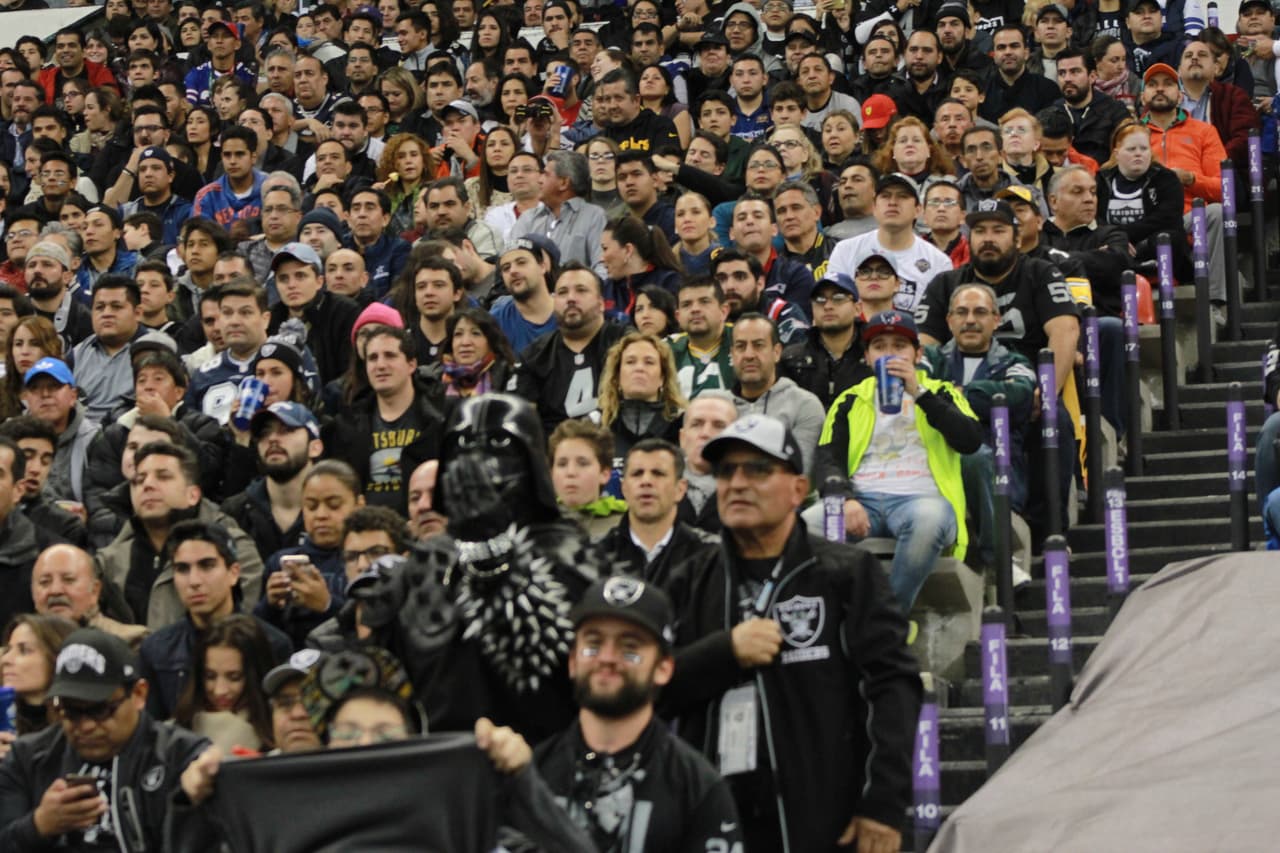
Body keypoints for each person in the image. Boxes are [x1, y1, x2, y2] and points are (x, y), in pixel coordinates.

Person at [662, 414, 920, 853]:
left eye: (758, 470)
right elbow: (652, 687)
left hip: (830, 821)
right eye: (727, 471)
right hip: (718, 824)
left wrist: (884, 803)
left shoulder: (846, 573)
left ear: (799, 490)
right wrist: (724, 652)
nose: (737, 483)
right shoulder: (690, 580)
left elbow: (894, 686)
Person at [342, 394, 601, 742]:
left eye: (498, 445)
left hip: (538, 758)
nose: (478, 462)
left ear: (531, 461)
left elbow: (547, 662)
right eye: (462, 446)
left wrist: (489, 549)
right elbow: (380, 671)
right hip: (436, 763)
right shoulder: (422, 562)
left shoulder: (569, 554)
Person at [477, 575, 743, 851]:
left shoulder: (697, 787)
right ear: (572, 661)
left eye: (630, 648)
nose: (607, 658)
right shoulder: (534, 772)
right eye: (593, 644)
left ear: (663, 668)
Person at [0, 627, 211, 851]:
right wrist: (39, 825)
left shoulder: (180, 755)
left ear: (139, 694)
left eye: (100, 710)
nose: (86, 726)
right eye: (71, 712)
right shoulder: (28, 757)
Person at [922, 283, 1037, 576]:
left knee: (975, 455)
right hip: (935, 461)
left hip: (999, 466)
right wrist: (981, 397)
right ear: (949, 321)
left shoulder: (1016, 361)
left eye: (980, 312)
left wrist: (950, 394)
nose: (970, 320)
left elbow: (1020, 394)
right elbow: (917, 388)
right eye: (961, 312)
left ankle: (999, 562)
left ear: (996, 320)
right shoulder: (930, 358)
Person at [95, 441, 265, 631]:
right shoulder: (111, 560)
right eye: (139, 480)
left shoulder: (233, 546)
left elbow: (249, 623)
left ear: (193, 495)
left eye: (163, 476)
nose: (148, 485)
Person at [137, 518, 289, 721]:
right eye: (182, 569)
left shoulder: (273, 644)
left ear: (233, 573)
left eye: (207, 566)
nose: (194, 581)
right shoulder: (155, 650)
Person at [322, 326, 445, 510]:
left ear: (412, 364)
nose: (380, 365)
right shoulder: (345, 426)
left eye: (390, 355)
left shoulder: (442, 417)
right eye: (373, 358)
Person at [255, 460, 365, 649]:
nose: (321, 515)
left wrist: (327, 605)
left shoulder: (367, 561)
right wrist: (269, 605)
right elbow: (256, 637)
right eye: (311, 506)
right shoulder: (279, 562)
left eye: (334, 505)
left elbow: (374, 629)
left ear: (359, 505)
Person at [730, 313, 826, 477]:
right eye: (740, 346)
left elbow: (797, 472)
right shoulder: (715, 405)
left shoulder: (804, 405)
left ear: (776, 352)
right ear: (732, 354)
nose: (749, 355)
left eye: (758, 345)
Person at [172, 614, 277, 752]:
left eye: (234, 677)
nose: (219, 690)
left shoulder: (282, 732)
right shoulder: (172, 735)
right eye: (210, 676)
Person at [779, 273, 871, 411]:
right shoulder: (791, 359)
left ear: (857, 308)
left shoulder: (873, 357)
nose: (827, 306)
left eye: (838, 298)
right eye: (820, 299)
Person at [31, 543, 146, 648]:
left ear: (95, 591)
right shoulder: (21, 647)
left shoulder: (131, 641)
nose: (55, 590)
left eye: (68, 580)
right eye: (45, 582)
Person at [509, 150, 607, 269]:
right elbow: (509, 261)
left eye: (545, 174)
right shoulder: (528, 218)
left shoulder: (594, 216)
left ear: (564, 183)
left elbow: (602, 267)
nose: (539, 180)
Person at [21, 357, 97, 505]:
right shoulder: (11, 438)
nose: (45, 394)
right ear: (26, 399)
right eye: (35, 388)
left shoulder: (94, 439)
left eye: (54, 386)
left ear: (73, 396)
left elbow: (100, 499)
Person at [0, 614, 77, 754]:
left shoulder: (80, 726)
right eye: (8, 650)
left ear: (56, 658)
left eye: (24, 650)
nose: (5, 659)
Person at [549, 418, 628, 538]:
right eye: (562, 464)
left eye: (582, 463)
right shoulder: (535, 524)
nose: (571, 472)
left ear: (604, 474)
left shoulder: (627, 524)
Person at [600, 215, 681, 325]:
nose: (601, 258)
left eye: (605, 249)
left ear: (628, 250)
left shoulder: (669, 282)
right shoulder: (605, 289)